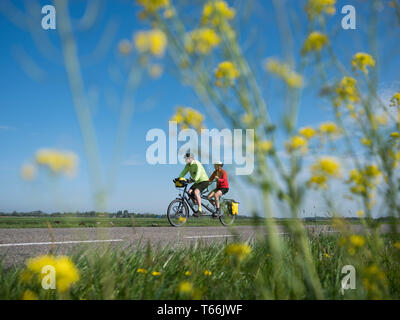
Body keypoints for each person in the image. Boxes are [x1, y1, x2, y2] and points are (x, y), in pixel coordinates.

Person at [177, 152, 209, 217]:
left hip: (204, 181)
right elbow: (183, 173)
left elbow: (198, 173)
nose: (185, 160)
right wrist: (178, 179)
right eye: (185, 159)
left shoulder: (197, 163)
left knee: (196, 192)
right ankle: (196, 202)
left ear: (191, 158)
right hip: (197, 182)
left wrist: (194, 179)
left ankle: (200, 210)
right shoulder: (188, 165)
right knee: (189, 192)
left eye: (186, 158)